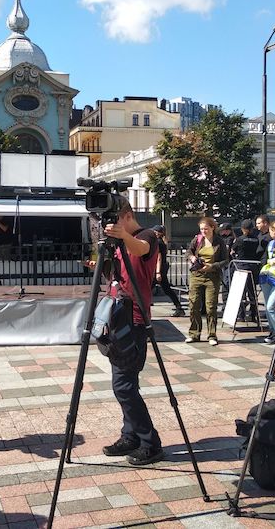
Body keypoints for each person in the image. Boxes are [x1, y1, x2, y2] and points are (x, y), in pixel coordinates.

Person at [87, 198, 163, 466]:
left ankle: (150, 442)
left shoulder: (146, 236)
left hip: (135, 321)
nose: (111, 226)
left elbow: (142, 250)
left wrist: (121, 237)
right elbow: (119, 276)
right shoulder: (120, 243)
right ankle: (130, 435)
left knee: (124, 386)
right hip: (117, 320)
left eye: (115, 221)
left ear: (127, 216)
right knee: (125, 384)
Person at [186, 217, 229, 346]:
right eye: (201, 229)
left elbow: (225, 260)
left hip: (212, 277)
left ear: (212, 228)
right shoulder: (198, 239)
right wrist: (192, 257)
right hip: (196, 275)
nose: (203, 231)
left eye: (206, 228)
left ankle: (212, 335)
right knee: (193, 305)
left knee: (211, 307)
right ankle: (194, 334)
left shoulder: (219, 242)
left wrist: (212, 266)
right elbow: (188, 251)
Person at [231, 219, 260, 323]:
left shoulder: (239, 239)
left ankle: (241, 315)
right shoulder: (256, 240)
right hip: (252, 267)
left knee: (240, 293)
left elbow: (232, 250)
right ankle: (254, 314)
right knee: (252, 293)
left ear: (243, 229)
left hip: (241, 267)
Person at [152, 225, 185, 317]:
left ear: (159, 233)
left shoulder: (158, 242)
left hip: (159, 269)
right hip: (161, 269)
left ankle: (142, 309)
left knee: (147, 289)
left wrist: (158, 272)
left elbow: (159, 257)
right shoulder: (161, 242)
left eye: (155, 232)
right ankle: (179, 308)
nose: (153, 233)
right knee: (166, 289)